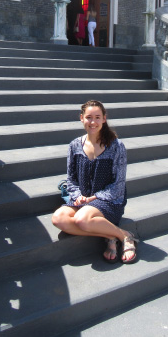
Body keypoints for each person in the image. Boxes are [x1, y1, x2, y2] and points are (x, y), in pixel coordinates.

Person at [52, 100, 139, 264]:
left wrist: (94, 198)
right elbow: (71, 179)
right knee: (58, 219)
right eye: (89, 117)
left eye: (97, 117)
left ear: (104, 119)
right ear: (81, 118)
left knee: (81, 219)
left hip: (109, 201)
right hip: (81, 199)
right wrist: (78, 195)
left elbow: (118, 185)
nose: (93, 122)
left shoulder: (116, 146)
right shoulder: (75, 145)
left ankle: (125, 237)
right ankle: (113, 235)